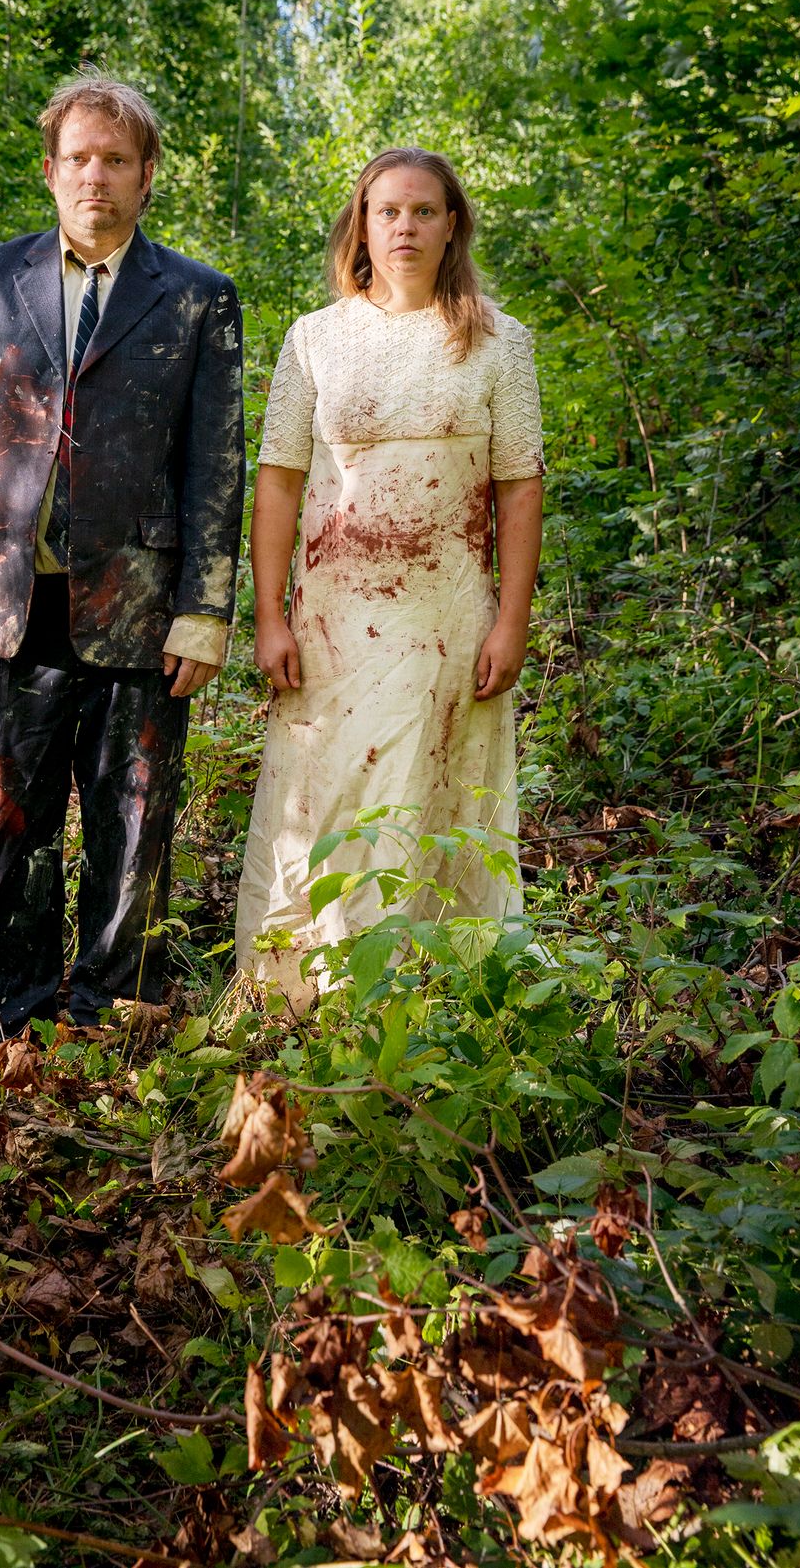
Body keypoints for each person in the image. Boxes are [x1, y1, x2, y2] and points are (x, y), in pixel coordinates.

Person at [0, 73, 244, 1046]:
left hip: (142, 599)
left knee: (131, 820)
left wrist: (206, 608)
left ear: (148, 175)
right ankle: (8, 1011)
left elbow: (215, 463)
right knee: (10, 818)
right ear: (50, 171)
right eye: (80, 158)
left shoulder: (198, 299)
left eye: (117, 159)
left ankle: (110, 1014)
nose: (97, 175)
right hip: (9, 595)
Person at [235, 146, 543, 1010]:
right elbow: (278, 482)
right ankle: (305, 993)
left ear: (452, 226)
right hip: (332, 621)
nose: (405, 226)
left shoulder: (499, 342)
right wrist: (269, 615)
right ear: (362, 227)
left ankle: (424, 998)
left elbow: (520, 489)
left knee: (424, 797)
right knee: (326, 793)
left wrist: (511, 620)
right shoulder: (316, 338)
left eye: (424, 211)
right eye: (388, 211)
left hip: (446, 619)